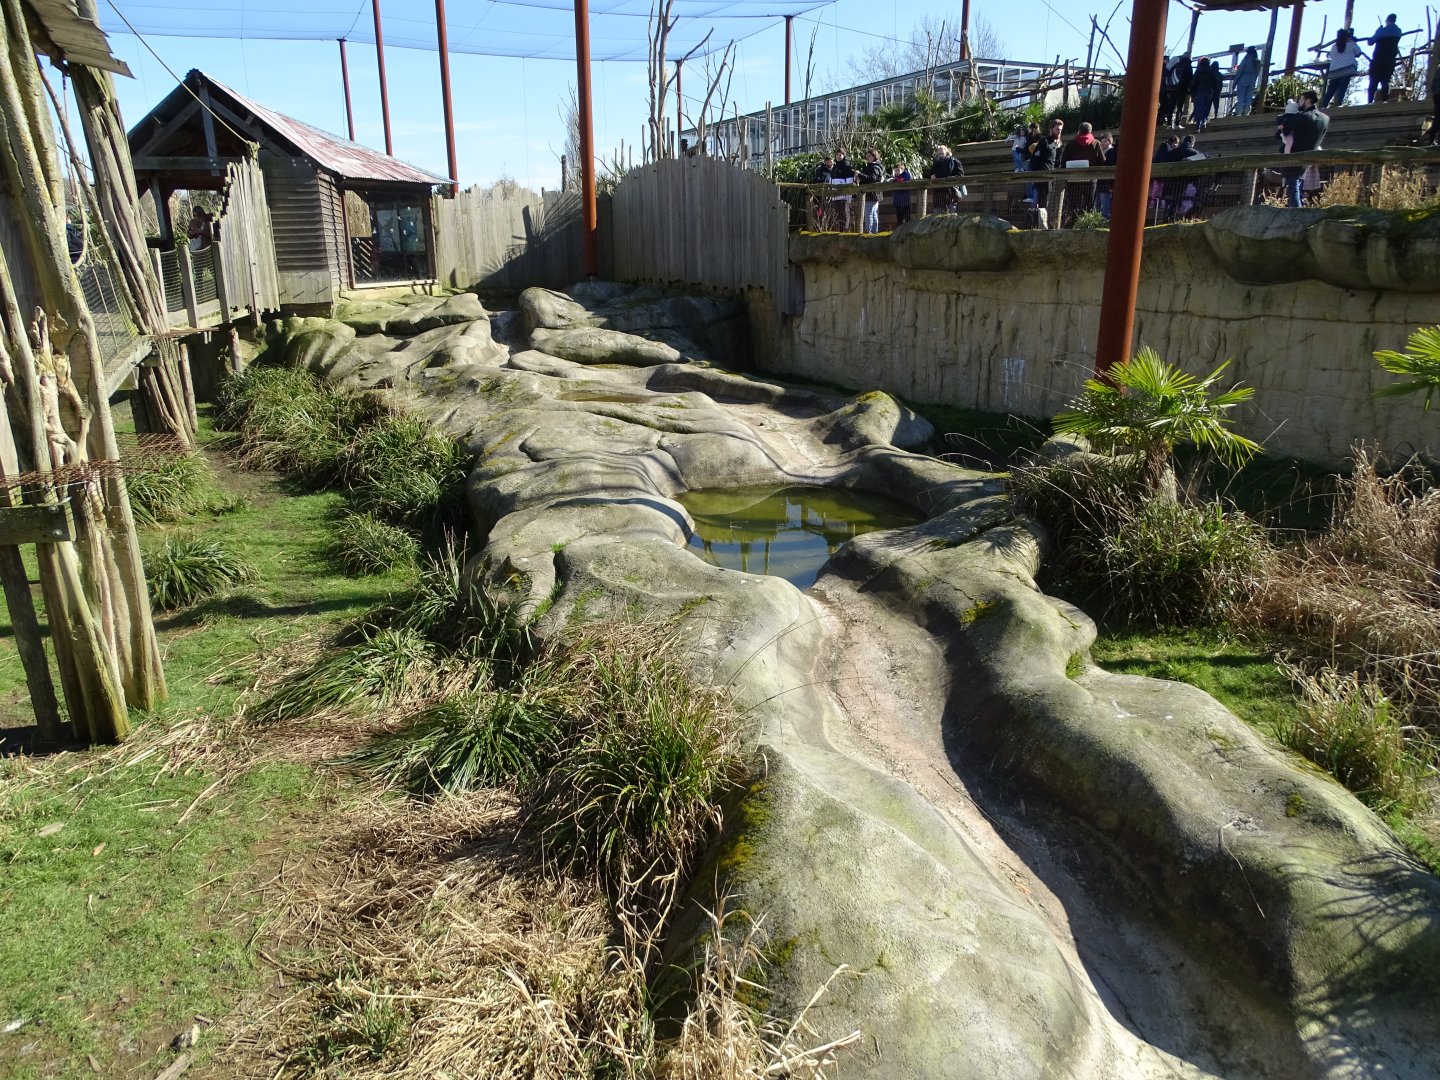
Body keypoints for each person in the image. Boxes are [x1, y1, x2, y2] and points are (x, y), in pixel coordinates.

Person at [1277, 90, 1329, 206]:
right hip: (1311, 157)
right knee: (1299, 187)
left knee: (1293, 188)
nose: (1299, 102)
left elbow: (1284, 131)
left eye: (1301, 99)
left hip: (1295, 156)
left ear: (1307, 100)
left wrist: (1283, 123)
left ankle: (1296, 213)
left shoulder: (1301, 117)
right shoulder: (1325, 119)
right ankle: (1299, 209)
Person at [1320, 29, 1365, 109]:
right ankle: (1337, 105)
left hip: (1334, 71)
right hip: (1346, 69)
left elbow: (1331, 56)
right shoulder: (1351, 43)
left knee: (1330, 90)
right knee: (1342, 88)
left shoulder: (1334, 46)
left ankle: (1323, 106)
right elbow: (1358, 53)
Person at [1367, 15, 1404, 103]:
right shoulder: (1398, 31)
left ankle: (1369, 101)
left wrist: (1378, 31)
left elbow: (1370, 42)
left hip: (1378, 59)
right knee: (1386, 81)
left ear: (1387, 21)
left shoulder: (1381, 31)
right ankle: (1385, 100)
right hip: (1390, 59)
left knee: (1373, 82)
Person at [928, 144, 964, 213]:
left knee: (951, 214)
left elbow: (960, 174)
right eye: (939, 154)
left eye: (942, 153)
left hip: (951, 192)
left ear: (947, 152)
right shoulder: (936, 164)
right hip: (938, 194)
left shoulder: (954, 162)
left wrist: (951, 179)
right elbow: (930, 174)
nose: (940, 155)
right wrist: (931, 176)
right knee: (937, 214)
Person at [1191, 57, 1222, 130]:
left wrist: (1193, 94)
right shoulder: (1211, 71)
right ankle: (1203, 121)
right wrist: (1214, 90)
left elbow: (1193, 83)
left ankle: (1198, 125)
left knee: (1199, 108)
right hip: (1208, 93)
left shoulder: (1197, 72)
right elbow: (1216, 82)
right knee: (1206, 108)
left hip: (1198, 92)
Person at [858, 148, 884, 233]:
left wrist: (860, 175)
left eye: (869, 156)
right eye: (867, 156)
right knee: (873, 213)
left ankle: (869, 232)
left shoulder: (875, 167)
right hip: (873, 193)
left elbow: (872, 178)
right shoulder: (870, 166)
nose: (867, 157)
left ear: (874, 157)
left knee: (869, 214)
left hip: (872, 193)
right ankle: (874, 232)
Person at [830, 147, 856, 230]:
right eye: (837, 155)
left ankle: (845, 229)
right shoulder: (835, 167)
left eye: (840, 155)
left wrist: (848, 196)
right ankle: (839, 229)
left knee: (844, 213)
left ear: (844, 155)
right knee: (837, 214)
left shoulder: (846, 166)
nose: (838, 156)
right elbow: (831, 180)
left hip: (844, 195)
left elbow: (849, 182)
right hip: (835, 195)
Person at [1233, 47, 1261, 116]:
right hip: (1252, 79)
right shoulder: (1257, 61)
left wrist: (1235, 83)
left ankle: (1239, 112)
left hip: (1243, 78)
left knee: (1241, 96)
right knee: (1249, 97)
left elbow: (1240, 71)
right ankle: (1246, 112)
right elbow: (1257, 73)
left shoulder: (1246, 59)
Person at [1096, 131, 1117, 218]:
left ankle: (1106, 223)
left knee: (1105, 208)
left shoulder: (1112, 152)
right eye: (1102, 141)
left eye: (1105, 141)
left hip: (1107, 184)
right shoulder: (1100, 152)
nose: (1102, 143)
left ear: (1110, 141)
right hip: (1099, 183)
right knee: (1097, 208)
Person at [890, 161, 913, 226]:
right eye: (896, 170)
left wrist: (894, 180)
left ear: (902, 169)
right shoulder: (895, 176)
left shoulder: (906, 174)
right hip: (897, 201)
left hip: (905, 201)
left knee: (907, 218)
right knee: (899, 218)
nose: (897, 172)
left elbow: (902, 180)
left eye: (898, 170)